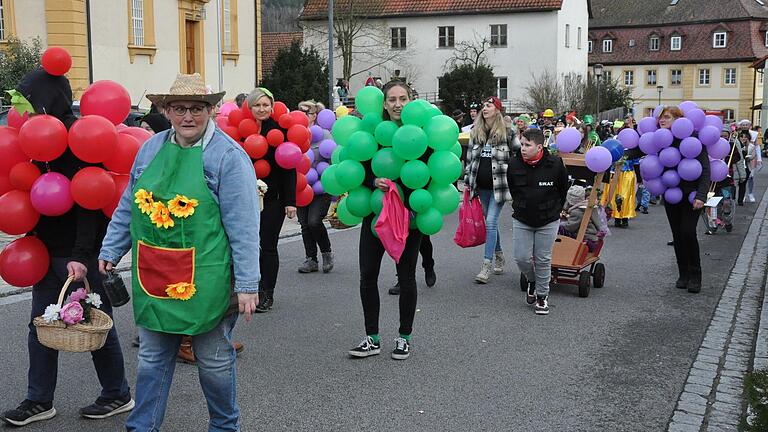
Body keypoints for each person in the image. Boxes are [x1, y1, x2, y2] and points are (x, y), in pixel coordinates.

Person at [97, 73, 260, 431]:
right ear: (166, 110)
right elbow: (129, 205)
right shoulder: (150, 149)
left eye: (197, 108)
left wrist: (248, 283)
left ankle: (223, 426)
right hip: (155, 274)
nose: (188, 116)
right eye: (179, 108)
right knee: (152, 359)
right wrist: (111, 247)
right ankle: (142, 428)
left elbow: (244, 224)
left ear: (211, 110)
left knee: (214, 361)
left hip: (210, 277)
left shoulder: (228, 157)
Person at [0, 68, 133, 428]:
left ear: (44, 101)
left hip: (80, 255)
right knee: (39, 326)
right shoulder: (33, 140)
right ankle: (38, 399)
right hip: (44, 251)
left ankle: (117, 393)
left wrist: (83, 256)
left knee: (96, 324)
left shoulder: (79, 139)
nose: (18, 109)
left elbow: (91, 202)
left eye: (25, 101)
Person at [349, 80, 431, 360]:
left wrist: (405, 191)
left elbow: (429, 175)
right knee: (367, 276)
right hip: (375, 215)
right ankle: (371, 337)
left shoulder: (422, 134)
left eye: (403, 99)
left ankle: (404, 337)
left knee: (407, 277)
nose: (397, 104)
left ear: (410, 101)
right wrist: (375, 181)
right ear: (384, 104)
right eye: (392, 99)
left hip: (408, 218)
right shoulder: (373, 133)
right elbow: (359, 168)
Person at [507, 128, 568, 315]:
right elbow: (513, 188)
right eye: (522, 144)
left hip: (548, 219)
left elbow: (562, 189)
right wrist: (521, 205)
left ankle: (542, 296)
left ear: (539, 146)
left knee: (542, 259)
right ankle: (532, 280)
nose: (523, 148)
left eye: (527, 145)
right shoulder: (514, 164)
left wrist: (556, 210)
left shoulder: (555, 164)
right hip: (523, 218)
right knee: (521, 258)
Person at [247, 87, 297, 312]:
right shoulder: (242, 131)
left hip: (273, 199)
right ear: (250, 108)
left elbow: (289, 168)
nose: (261, 109)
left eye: (265, 104)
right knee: (249, 246)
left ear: (272, 106)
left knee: (268, 246)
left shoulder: (279, 132)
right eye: (257, 105)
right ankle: (252, 288)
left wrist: (290, 201)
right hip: (246, 200)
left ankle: (268, 292)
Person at [658, 106, 710, 293]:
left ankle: (696, 275)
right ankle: (683, 274)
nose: (661, 120)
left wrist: (701, 196)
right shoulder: (662, 141)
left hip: (691, 196)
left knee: (688, 233)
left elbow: (705, 170)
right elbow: (640, 152)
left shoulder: (693, 140)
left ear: (679, 120)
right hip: (671, 195)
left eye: (666, 117)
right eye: (660, 118)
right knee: (678, 236)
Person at [463, 96, 513, 284]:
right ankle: (499, 253)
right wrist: (468, 183)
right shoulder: (476, 132)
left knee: (491, 222)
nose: (485, 108)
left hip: (499, 187)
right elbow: (470, 160)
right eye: (484, 105)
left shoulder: (508, 133)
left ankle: (486, 266)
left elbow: (518, 156)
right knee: (489, 223)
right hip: (481, 186)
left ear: (497, 110)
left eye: (489, 105)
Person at [297, 100, 334, 273]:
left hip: (321, 186)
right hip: (301, 186)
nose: (304, 116)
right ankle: (311, 259)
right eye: (300, 112)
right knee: (304, 223)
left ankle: (326, 253)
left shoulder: (324, 134)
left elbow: (333, 158)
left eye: (308, 113)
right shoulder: (293, 134)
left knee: (314, 222)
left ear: (315, 116)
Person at [559, 185, 602, 252]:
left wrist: (560, 224)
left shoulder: (577, 211)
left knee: (560, 228)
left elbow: (570, 227)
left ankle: (560, 250)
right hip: (592, 238)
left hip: (586, 239)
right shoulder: (589, 206)